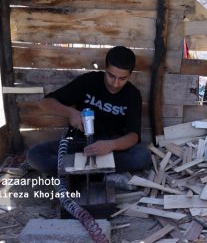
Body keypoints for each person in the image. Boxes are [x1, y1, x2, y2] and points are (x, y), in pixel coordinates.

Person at [27, 46, 152, 176]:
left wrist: (110, 145)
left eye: (122, 79)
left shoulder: (133, 94)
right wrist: (70, 112)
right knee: (35, 155)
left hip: (111, 147)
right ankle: (98, 171)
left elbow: (133, 136)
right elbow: (44, 103)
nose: (115, 84)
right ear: (105, 69)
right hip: (80, 143)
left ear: (130, 75)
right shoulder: (89, 81)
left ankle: (78, 170)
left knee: (142, 156)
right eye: (111, 76)